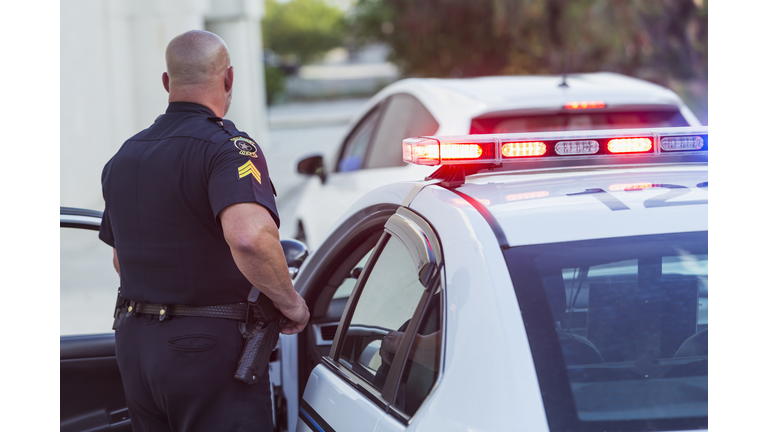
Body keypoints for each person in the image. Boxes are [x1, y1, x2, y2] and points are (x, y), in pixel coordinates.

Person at [98, 29, 310, 432]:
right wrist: (291, 302)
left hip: (134, 345)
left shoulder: (125, 156)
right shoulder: (227, 149)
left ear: (167, 83)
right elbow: (250, 237)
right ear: (228, 79)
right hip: (207, 350)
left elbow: (120, 260)